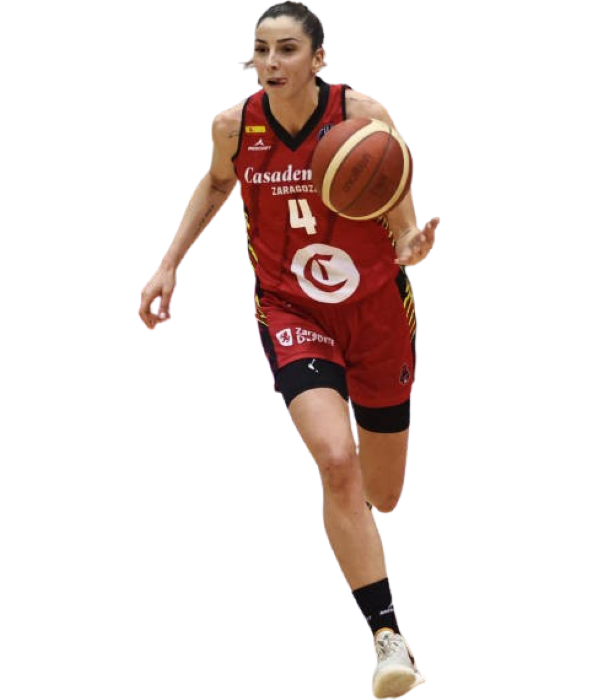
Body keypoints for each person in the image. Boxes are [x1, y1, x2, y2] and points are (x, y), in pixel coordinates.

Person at [138, 2, 438, 697]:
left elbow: (399, 208)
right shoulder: (233, 126)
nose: (271, 63)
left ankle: (360, 522)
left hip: (375, 311)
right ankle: (388, 636)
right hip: (290, 308)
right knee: (334, 458)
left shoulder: (363, 116)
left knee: (384, 493)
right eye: (261, 50)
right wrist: (168, 264)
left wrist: (410, 245)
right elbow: (216, 183)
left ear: (319, 58)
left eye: (287, 50)